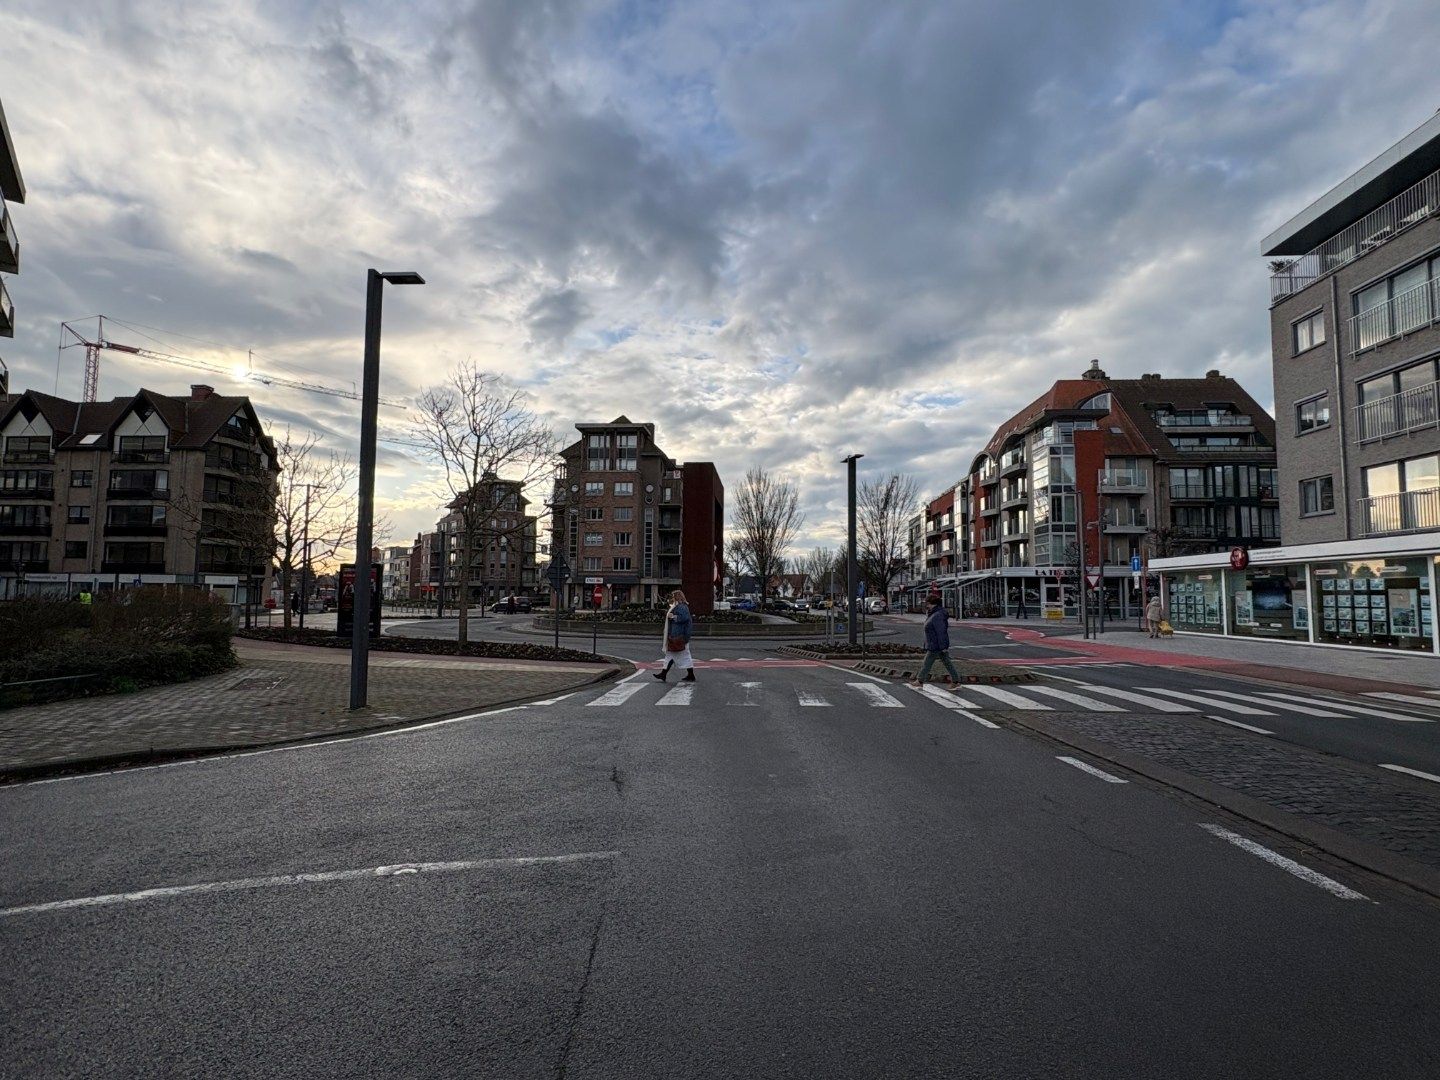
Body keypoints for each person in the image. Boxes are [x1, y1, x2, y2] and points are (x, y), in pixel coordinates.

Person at [911, 593, 961, 689]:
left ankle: (920, 680)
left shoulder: (937, 615)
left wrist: (943, 647)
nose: (926, 605)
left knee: (927, 663)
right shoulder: (935, 613)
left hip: (936, 644)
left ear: (932, 604)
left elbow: (941, 632)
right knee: (947, 662)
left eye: (927, 604)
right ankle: (956, 681)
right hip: (936, 644)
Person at [655, 589, 697, 683]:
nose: (672, 598)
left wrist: (673, 616)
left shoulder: (681, 606)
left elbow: (684, 618)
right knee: (675, 655)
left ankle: (664, 674)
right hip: (678, 635)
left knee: (679, 655)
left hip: (678, 635)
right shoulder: (680, 606)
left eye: (673, 596)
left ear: (677, 597)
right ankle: (664, 674)